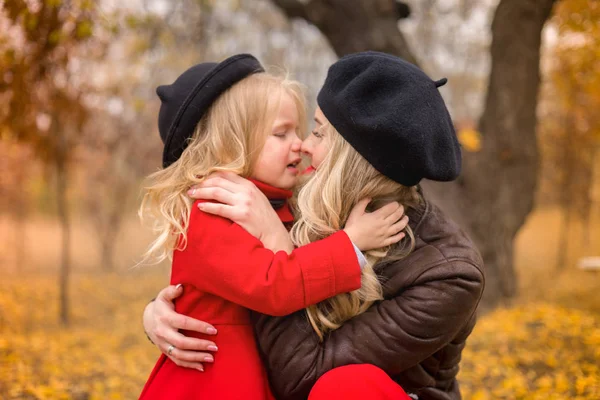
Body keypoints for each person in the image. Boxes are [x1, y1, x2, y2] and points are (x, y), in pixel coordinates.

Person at [143, 51, 485, 400]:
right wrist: (160, 310)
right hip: (223, 381)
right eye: (289, 132)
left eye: (318, 133)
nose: (304, 145)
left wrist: (277, 241)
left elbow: (305, 375)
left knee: (350, 389)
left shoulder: (448, 274)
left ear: (352, 158)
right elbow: (222, 270)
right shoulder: (291, 199)